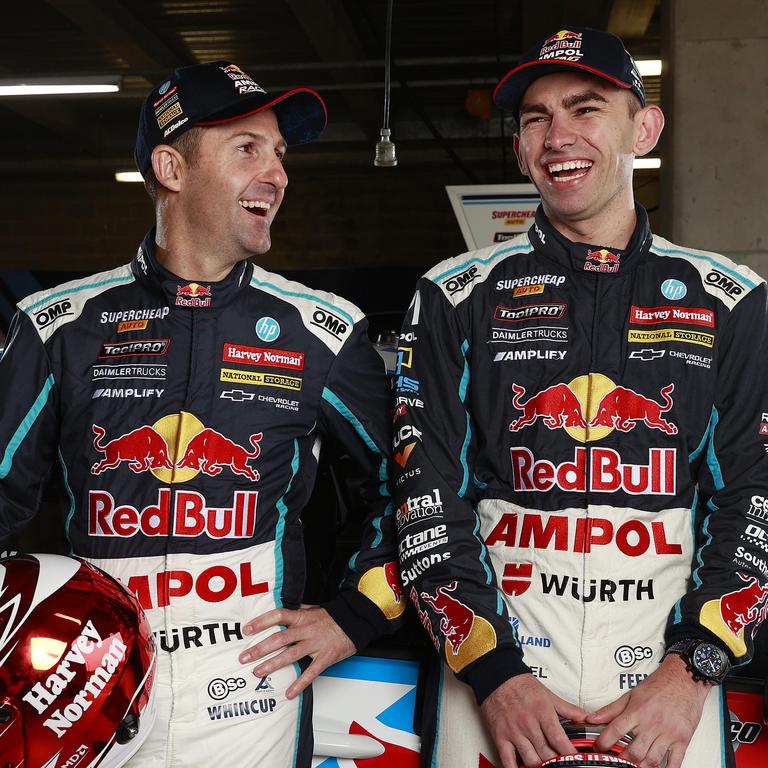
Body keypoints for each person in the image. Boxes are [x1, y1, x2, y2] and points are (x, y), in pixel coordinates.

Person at [0, 61, 404, 767]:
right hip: (86, 692)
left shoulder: (324, 331)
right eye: (247, 147)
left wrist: (356, 615)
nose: (276, 174)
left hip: (252, 704)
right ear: (171, 168)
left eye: (279, 154)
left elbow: (416, 488)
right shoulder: (58, 327)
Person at [392, 27, 768, 768]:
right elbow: (425, 497)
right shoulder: (454, 295)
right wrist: (495, 676)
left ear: (645, 127)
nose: (558, 135)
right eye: (536, 118)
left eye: (585, 108)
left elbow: (755, 494)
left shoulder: (731, 299)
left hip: (667, 690)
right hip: (498, 684)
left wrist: (693, 672)